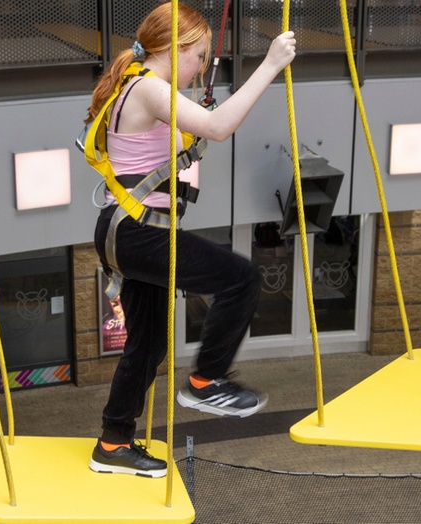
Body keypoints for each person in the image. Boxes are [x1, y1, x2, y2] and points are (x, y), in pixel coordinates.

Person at [85, 3, 296, 478]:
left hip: (128, 231)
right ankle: (205, 381)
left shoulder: (137, 85)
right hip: (139, 233)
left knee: (148, 344)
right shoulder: (149, 88)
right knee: (240, 278)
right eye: (199, 57)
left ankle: (113, 442)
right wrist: (270, 65)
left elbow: (182, 152)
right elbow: (220, 128)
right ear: (175, 49)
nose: (202, 67)